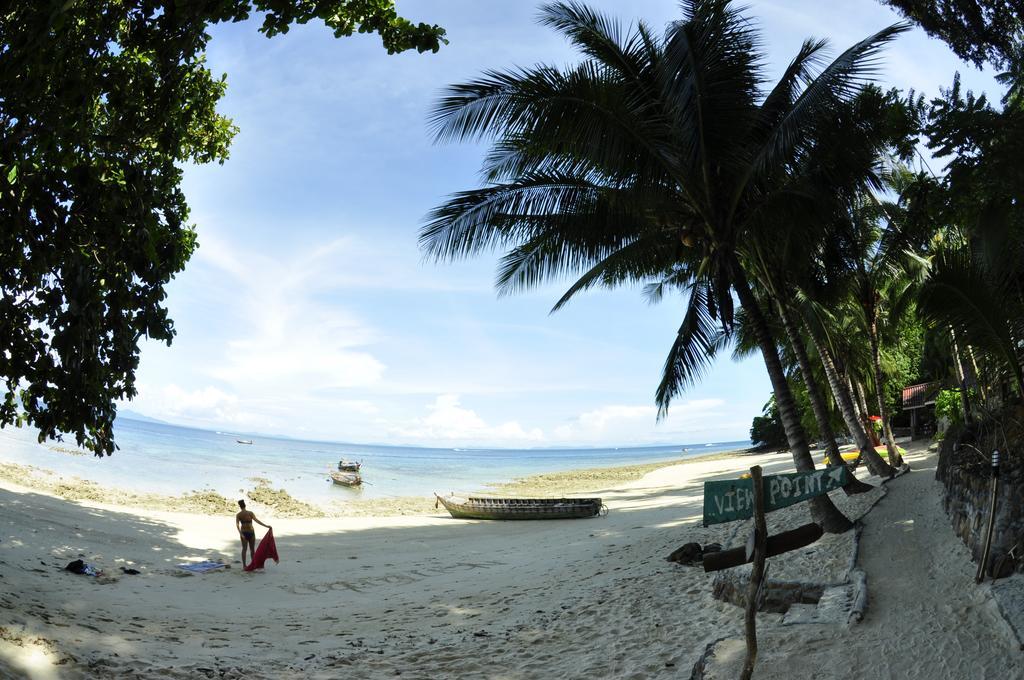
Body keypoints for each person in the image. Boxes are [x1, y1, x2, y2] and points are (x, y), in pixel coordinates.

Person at [235, 500, 271, 569]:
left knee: (244, 549)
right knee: (252, 550)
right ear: (245, 505)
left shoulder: (239, 515)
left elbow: (237, 525)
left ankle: (244, 565)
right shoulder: (250, 513)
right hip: (251, 532)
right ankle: (253, 564)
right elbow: (257, 521)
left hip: (244, 533)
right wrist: (266, 526)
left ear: (240, 506)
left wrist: (240, 533)